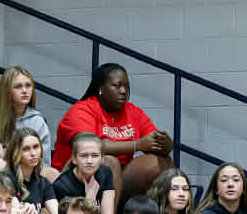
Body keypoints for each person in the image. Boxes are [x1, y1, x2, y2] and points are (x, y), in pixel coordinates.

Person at [53, 64, 172, 199]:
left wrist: (166, 144)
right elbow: (87, 146)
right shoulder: (82, 110)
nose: (123, 91)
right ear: (100, 89)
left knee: (162, 162)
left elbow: (153, 143)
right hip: (75, 176)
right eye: (117, 86)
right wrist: (137, 145)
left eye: (126, 86)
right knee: (109, 162)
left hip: (121, 178)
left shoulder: (133, 111)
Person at [51, 132, 118, 214]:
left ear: (102, 159)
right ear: (74, 159)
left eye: (95, 155)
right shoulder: (62, 186)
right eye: (84, 156)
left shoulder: (105, 173)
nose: (89, 161)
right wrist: (89, 201)